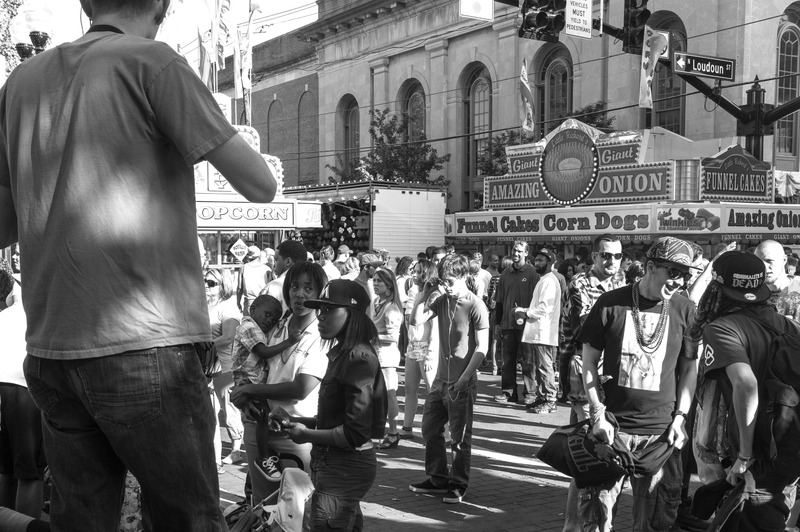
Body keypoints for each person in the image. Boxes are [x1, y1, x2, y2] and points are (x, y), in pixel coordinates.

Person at [0, 0, 278, 527]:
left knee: (80, 521)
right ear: (163, 6)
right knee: (188, 519)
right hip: (148, 344)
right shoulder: (155, 63)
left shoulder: (21, 81)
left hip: (52, 348)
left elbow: (3, 225)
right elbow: (262, 186)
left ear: (86, 3)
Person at [577, 236, 698, 532]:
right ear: (651, 266)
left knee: (654, 524)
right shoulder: (610, 304)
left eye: (685, 275)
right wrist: (596, 413)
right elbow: (588, 362)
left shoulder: (684, 309)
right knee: (595, 520)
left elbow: (689, 369)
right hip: (612, 430)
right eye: (673, 272)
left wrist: (680, 418)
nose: (679, 281)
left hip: (660, 436)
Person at [694, 250, 800, 531]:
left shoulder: (722, 328)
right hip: (787, 452)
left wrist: (744, 455)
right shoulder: (789, 325)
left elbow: (746, 383)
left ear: (717, 290)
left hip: (755, 460)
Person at [285, 279, 388, 532]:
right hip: (336, 465)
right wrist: (297, 422)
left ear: (352, 314)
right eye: (320, 310)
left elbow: (355, 433)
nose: (320, 316)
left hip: (345, 468)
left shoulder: (358, 357)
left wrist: (306, 434)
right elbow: (337, 420)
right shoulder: (344, 353)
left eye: (330, 309)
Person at [230, 262, 331, 504]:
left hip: (295, 432)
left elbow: (301, 388)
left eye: (309, 288)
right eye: (295, 287)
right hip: (258, 425)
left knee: (297, 507)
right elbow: (253, 364)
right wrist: (245, 398)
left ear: (320, 293)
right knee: (263, 505)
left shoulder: (321, 334)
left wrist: (250, 389)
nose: (300, 294)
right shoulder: (276, 323)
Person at [408, 255, 490, 504]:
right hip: (440, 380)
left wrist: (464, 379)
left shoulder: (475, 305)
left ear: (464, 277)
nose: (446, 286)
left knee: (460, 439)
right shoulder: (442, 299)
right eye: (443, 281)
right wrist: (425, 291)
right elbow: (415, 320)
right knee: (430, 429)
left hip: (460, 382)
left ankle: (457, 483)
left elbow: (482, 348)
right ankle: (437, 478)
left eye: (450, 281)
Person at [231, 293, 299, 505]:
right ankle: (263, 456)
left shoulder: (257, 327)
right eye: (267, 314)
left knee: (262, 416)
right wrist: (290, 341)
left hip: (252, 381)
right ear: (252, 310)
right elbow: (263, 352)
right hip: (247, 380)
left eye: (274, 318)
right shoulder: (249, 327)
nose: (270, 320)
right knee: (260, 416)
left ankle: (264, 454)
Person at [0, 282, 45, 519]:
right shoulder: (38, 309)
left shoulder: (5, 315)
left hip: (5, 386)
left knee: (7, 467)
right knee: (30, 472)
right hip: (24, 387)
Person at [205, 268, 245, 468]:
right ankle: (214, 460)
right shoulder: (205, 306)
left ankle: (237, 449)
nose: (206, 285)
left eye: (212, 283)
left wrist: (205, 344)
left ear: (223, 285)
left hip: (225, 367)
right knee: (210, 414)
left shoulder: (228, 308)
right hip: (208, 368)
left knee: (229, 410)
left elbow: (229, 336)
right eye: (205, 281)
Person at [493, 241, 540, 403]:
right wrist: (497, 323)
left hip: (527, 325)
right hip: (507, 325)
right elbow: (499, 301)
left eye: (520, 251)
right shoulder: (505, 274)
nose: (516, 253)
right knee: (507, 361)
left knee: (529, 362)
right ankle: (508, 392)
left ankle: (530, 393)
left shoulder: (534, 274)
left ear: (526, 253)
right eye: (514, 250)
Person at [400, 259, 441, 440]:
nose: (413, 275)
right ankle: (407, 427)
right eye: (413, 271)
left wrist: (431, 355)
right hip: (414, 345)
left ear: (426, 273)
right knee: (410, 388)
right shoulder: (418, 293)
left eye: (417, 272)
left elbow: (434, 328)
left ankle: (444, 432)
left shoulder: (434, 295)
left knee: (433, 392)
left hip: (426, 347)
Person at [519, 249, 562, 414]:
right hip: (538, 331)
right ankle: (543, 397)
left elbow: (545, 307)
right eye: (536, 260)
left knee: (545, 367)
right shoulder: (544, 280)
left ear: (550, 263)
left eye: (541, 260)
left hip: (544, 331)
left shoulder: (549, 281)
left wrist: (526, 312)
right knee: (540, 367)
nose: (537, 263)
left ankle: (550, 400)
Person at [371, 268, 405, 449]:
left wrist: (371, 336)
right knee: (379, 396)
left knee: (390, 394)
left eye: (379, 281)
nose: (375, 284)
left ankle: (393, 433)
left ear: (389, 286)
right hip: (377, 355)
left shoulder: (391, 308)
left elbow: (393, 337)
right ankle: (383, 432)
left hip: (387, 357)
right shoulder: (377, 302)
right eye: (374, 280)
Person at [756, 239, 800, 319]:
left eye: (769, 261)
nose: (764, 267)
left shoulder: (798, 286)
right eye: (758, 262)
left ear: (784, 260)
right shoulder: (751, 294)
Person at [263, 239, 308, 316]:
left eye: (276, 260)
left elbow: (261, 319)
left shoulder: (273, 287)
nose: (274, 264)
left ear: (288, 261)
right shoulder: (312, 287)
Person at [238, 245, 272, 316]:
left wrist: (238, 302)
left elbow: (239, 288)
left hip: (249, 302)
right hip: (263, 302)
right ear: (259, 256)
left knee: (248, 325)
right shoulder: (267, 269)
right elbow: (270, 288)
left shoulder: (243, 268)